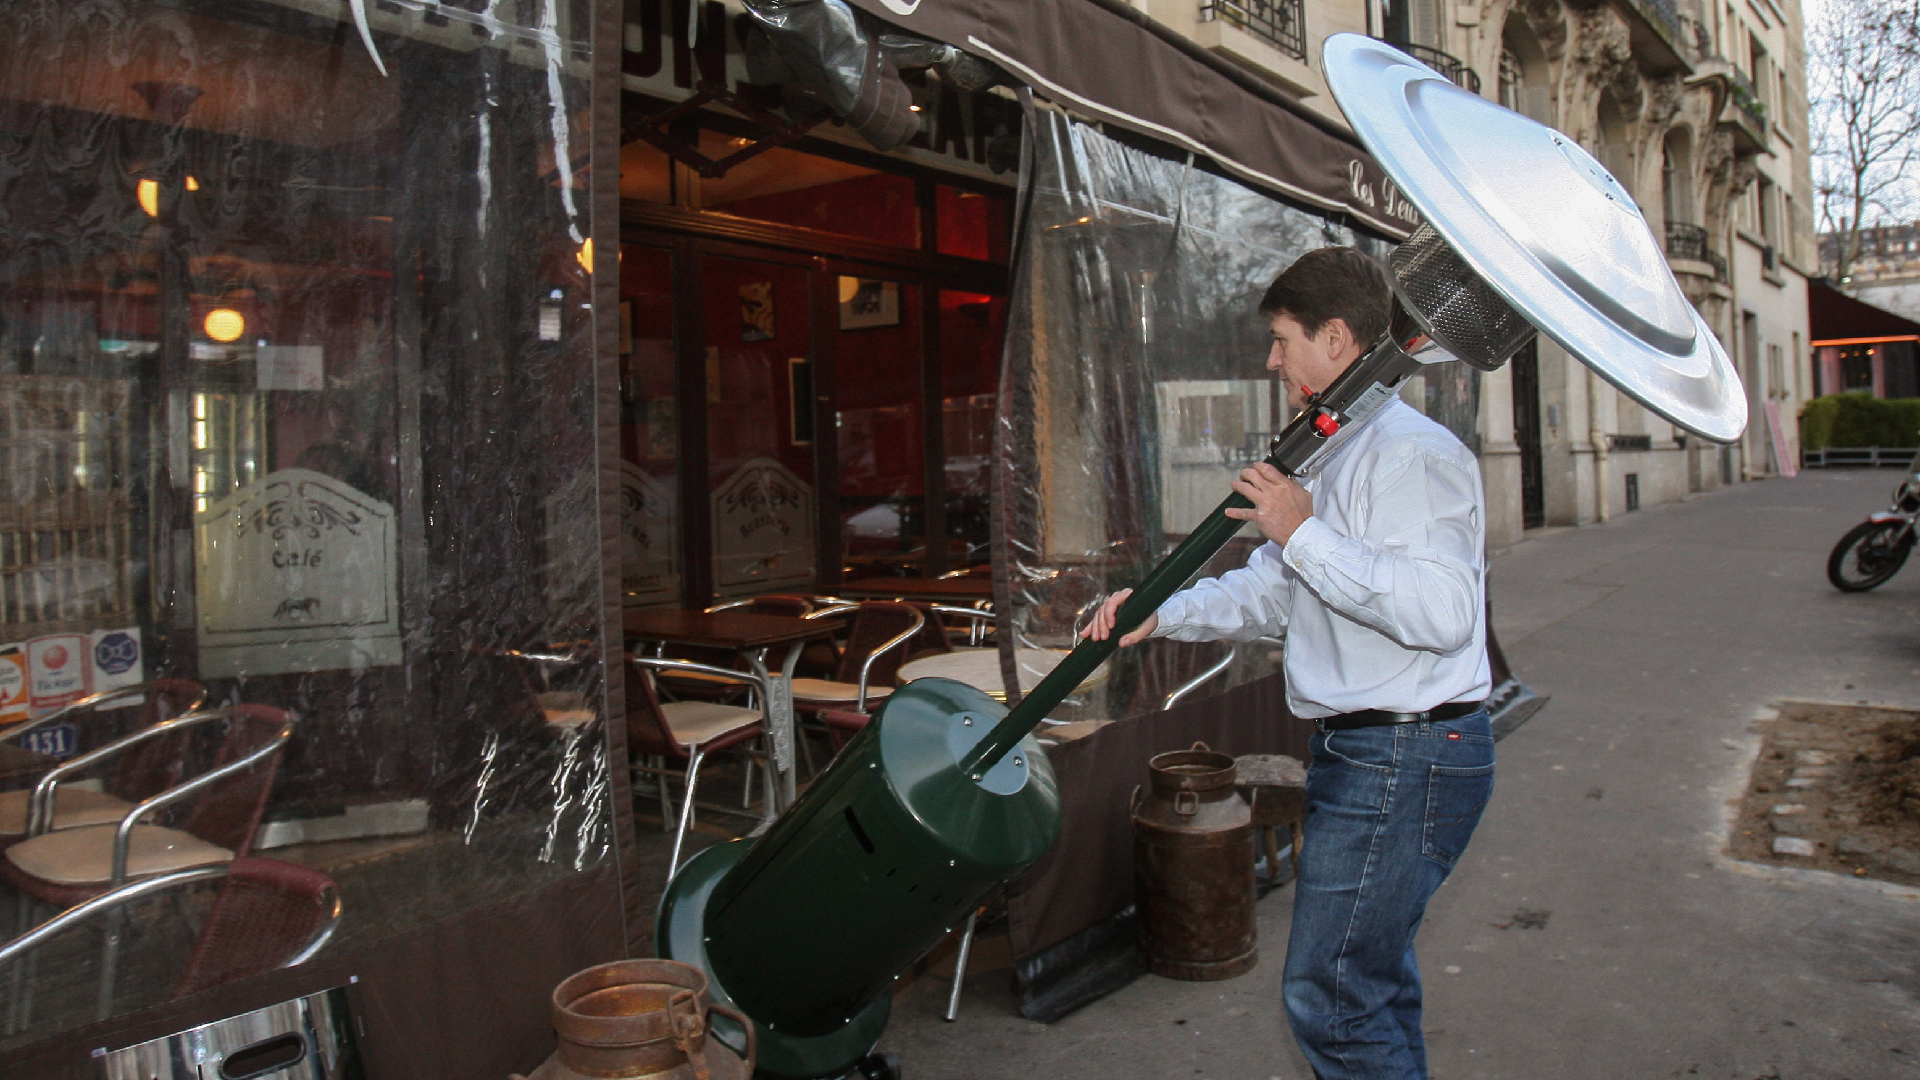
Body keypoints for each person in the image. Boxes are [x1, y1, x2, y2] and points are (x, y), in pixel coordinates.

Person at [1083, 246, 1494, 1079]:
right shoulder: (1336, 450)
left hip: (1404, 756)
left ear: (1337, 337)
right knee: (1367, 985)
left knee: (1333, 995)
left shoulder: (1412, 455)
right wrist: (1162, 611)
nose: (1271, 360)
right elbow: (1274, 592)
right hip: (1375, 754)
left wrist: (1305, 532)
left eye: (1282, 339)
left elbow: (1445, 616)